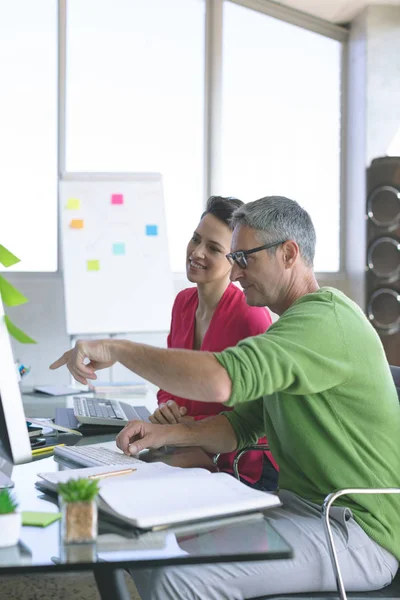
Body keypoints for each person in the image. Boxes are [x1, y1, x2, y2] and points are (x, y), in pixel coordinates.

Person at [50, 196, 400, 600]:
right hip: (299, 509)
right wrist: (164, 436)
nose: (234, 274)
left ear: (288, 253)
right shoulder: (291, 331)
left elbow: (221, 382)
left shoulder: (326, 320)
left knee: (178, 576)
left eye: (243, 258)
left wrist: (118, 350)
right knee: (149, 544)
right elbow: (242, 425)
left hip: (354, 530)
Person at [152, 195, 277, 489]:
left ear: (234, 259)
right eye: (196, 239)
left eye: (213, 248)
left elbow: (254, 416)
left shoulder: (251, 317)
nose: (196, 252)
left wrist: (183, 434)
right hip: (187, 444)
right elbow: (168, 384)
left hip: (242, 461)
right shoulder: (183, 303)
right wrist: (167, 405)